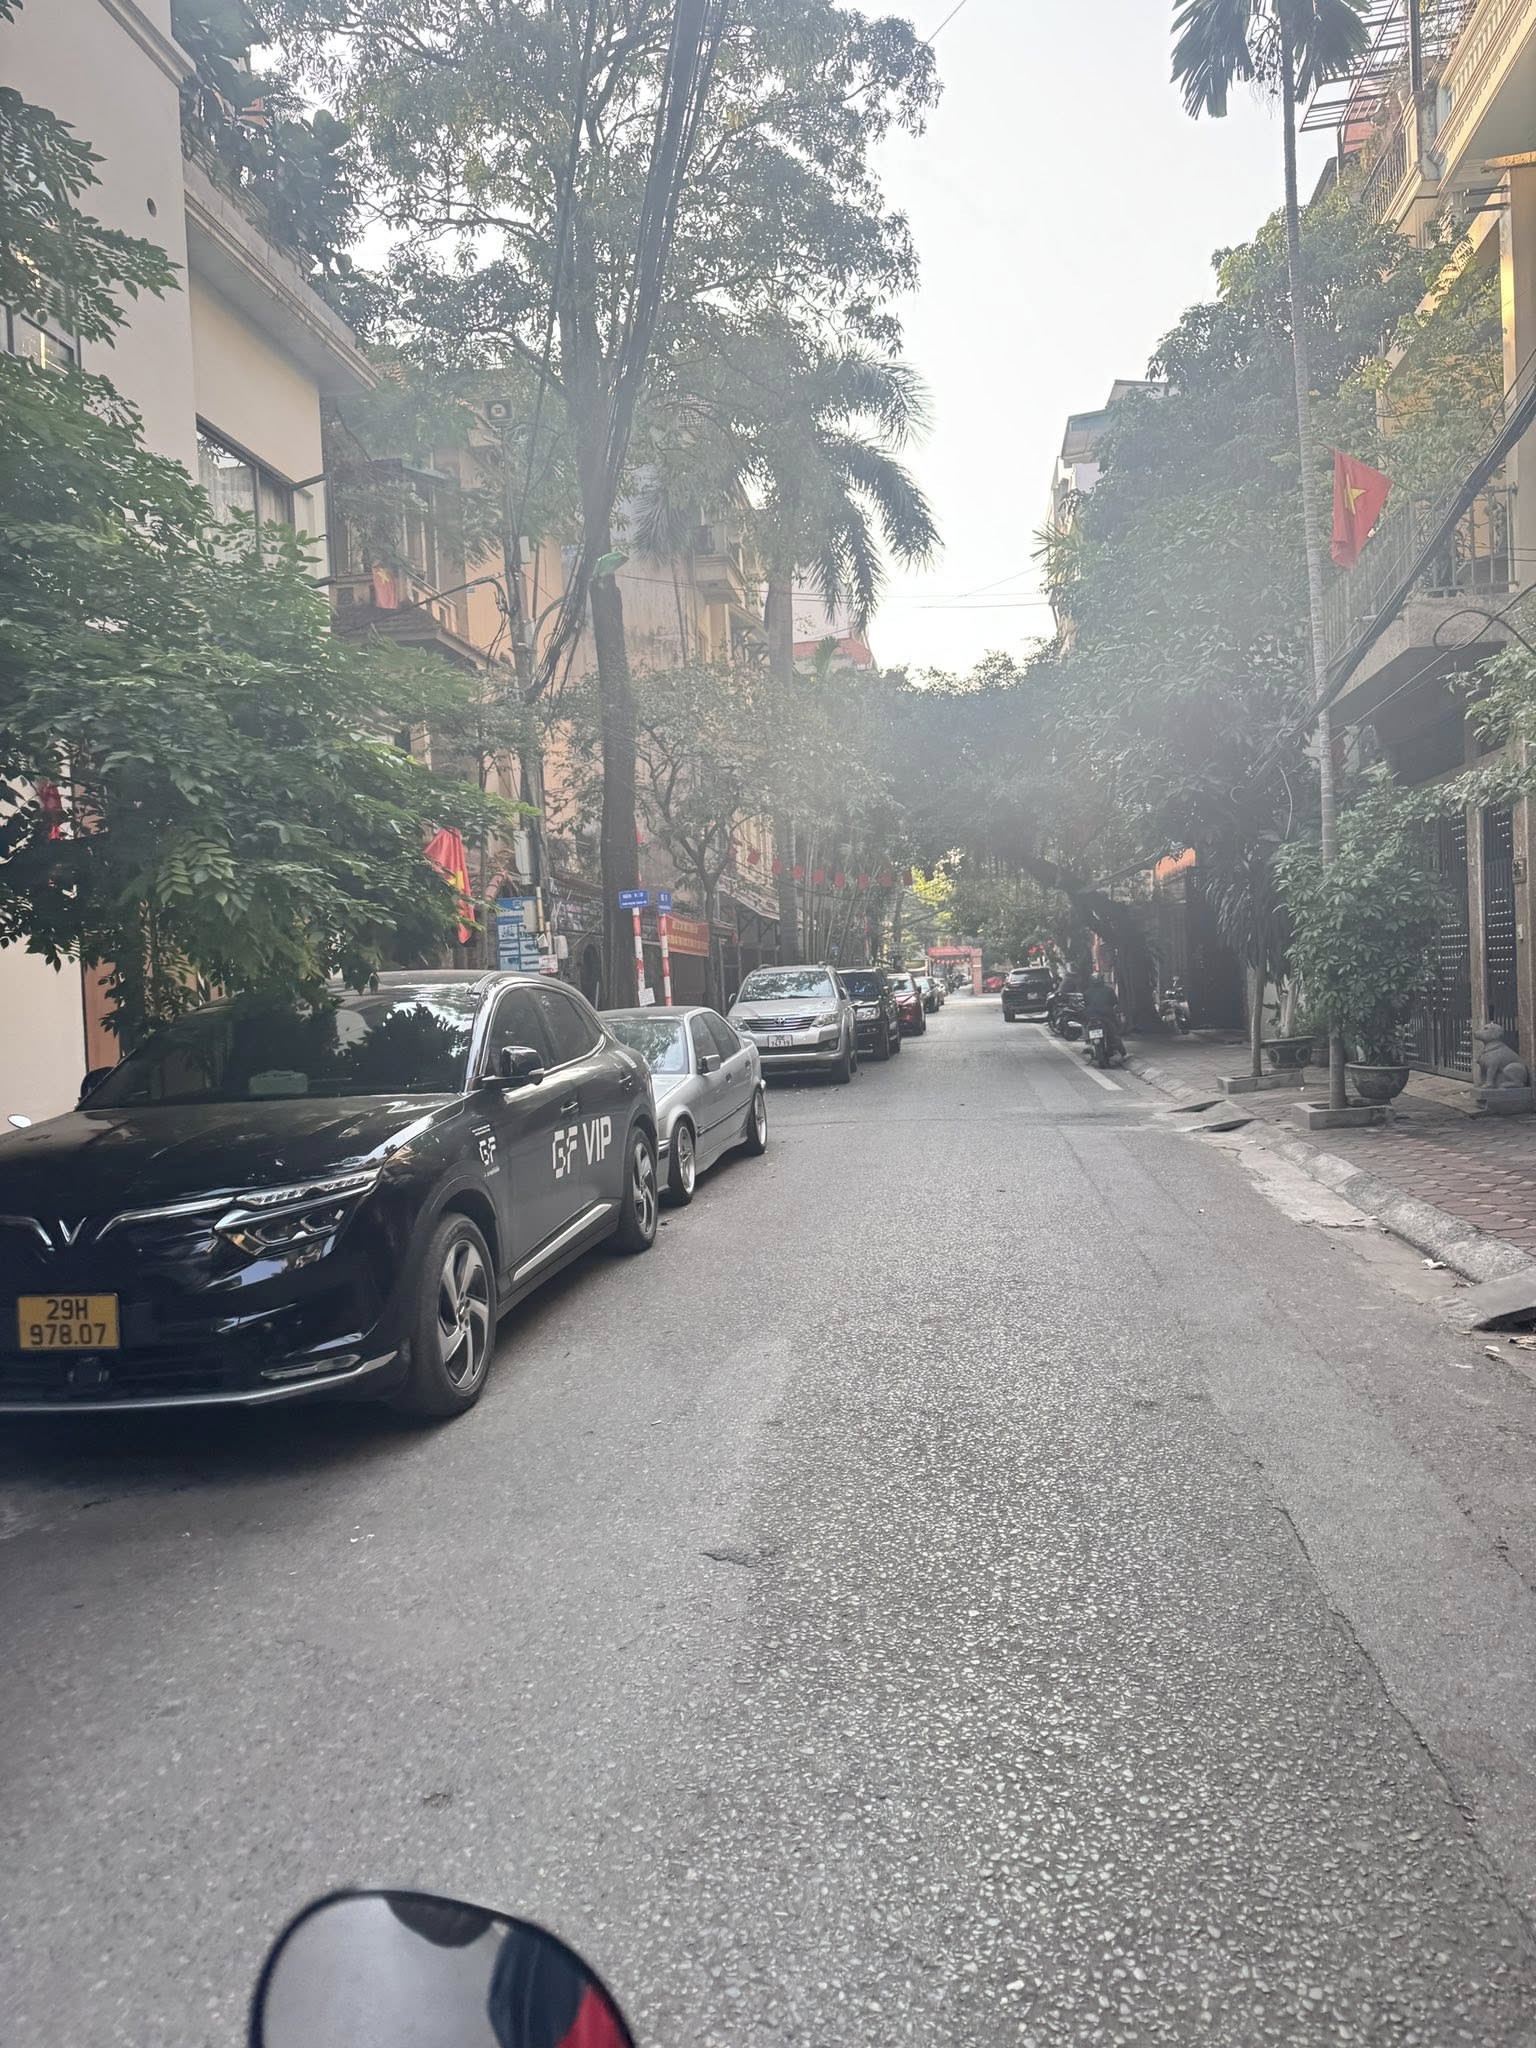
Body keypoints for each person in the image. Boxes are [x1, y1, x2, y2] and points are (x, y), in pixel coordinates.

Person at [1082, 972, 1125, 1060]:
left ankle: (1087, 1042)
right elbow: (1114, 1002)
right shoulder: (1109, 990)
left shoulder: (1087, 992)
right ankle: (1123, 1052)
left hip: (1091, 1016)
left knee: (1085, 1025)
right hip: (1106, 1015)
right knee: (1114, 1033)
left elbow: (1085, 1004)